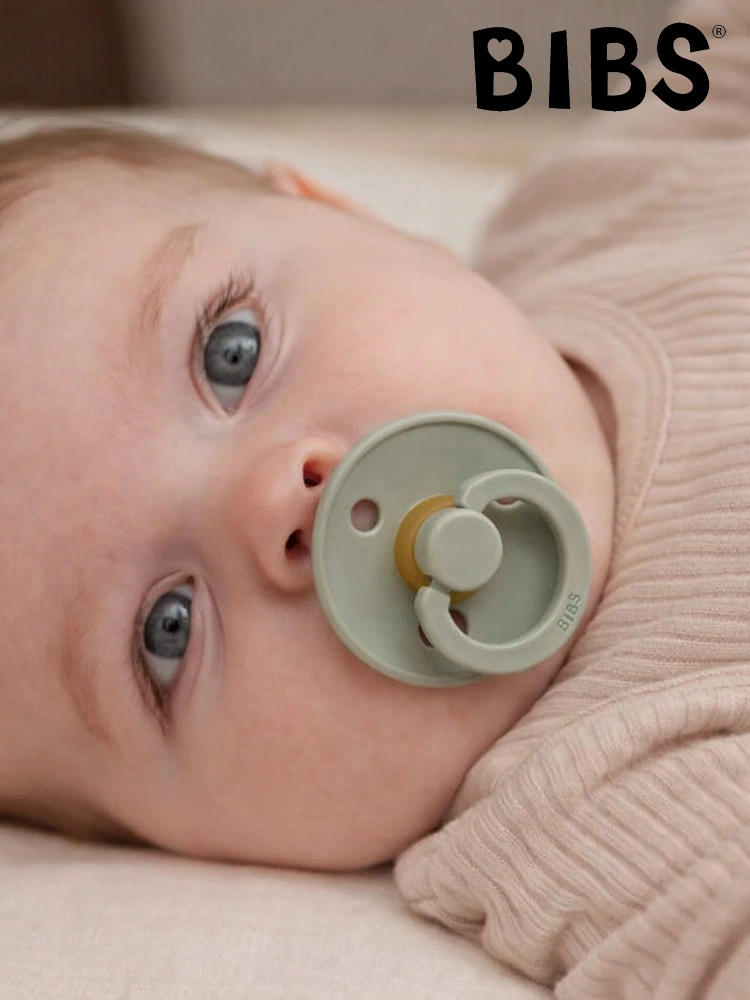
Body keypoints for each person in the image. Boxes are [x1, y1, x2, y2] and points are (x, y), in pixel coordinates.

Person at [394, 0, 750, 996]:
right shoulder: (581, 797)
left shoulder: (585, 210)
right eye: (168, 630)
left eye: (231, 352)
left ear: (340, 220)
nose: (281, 507)